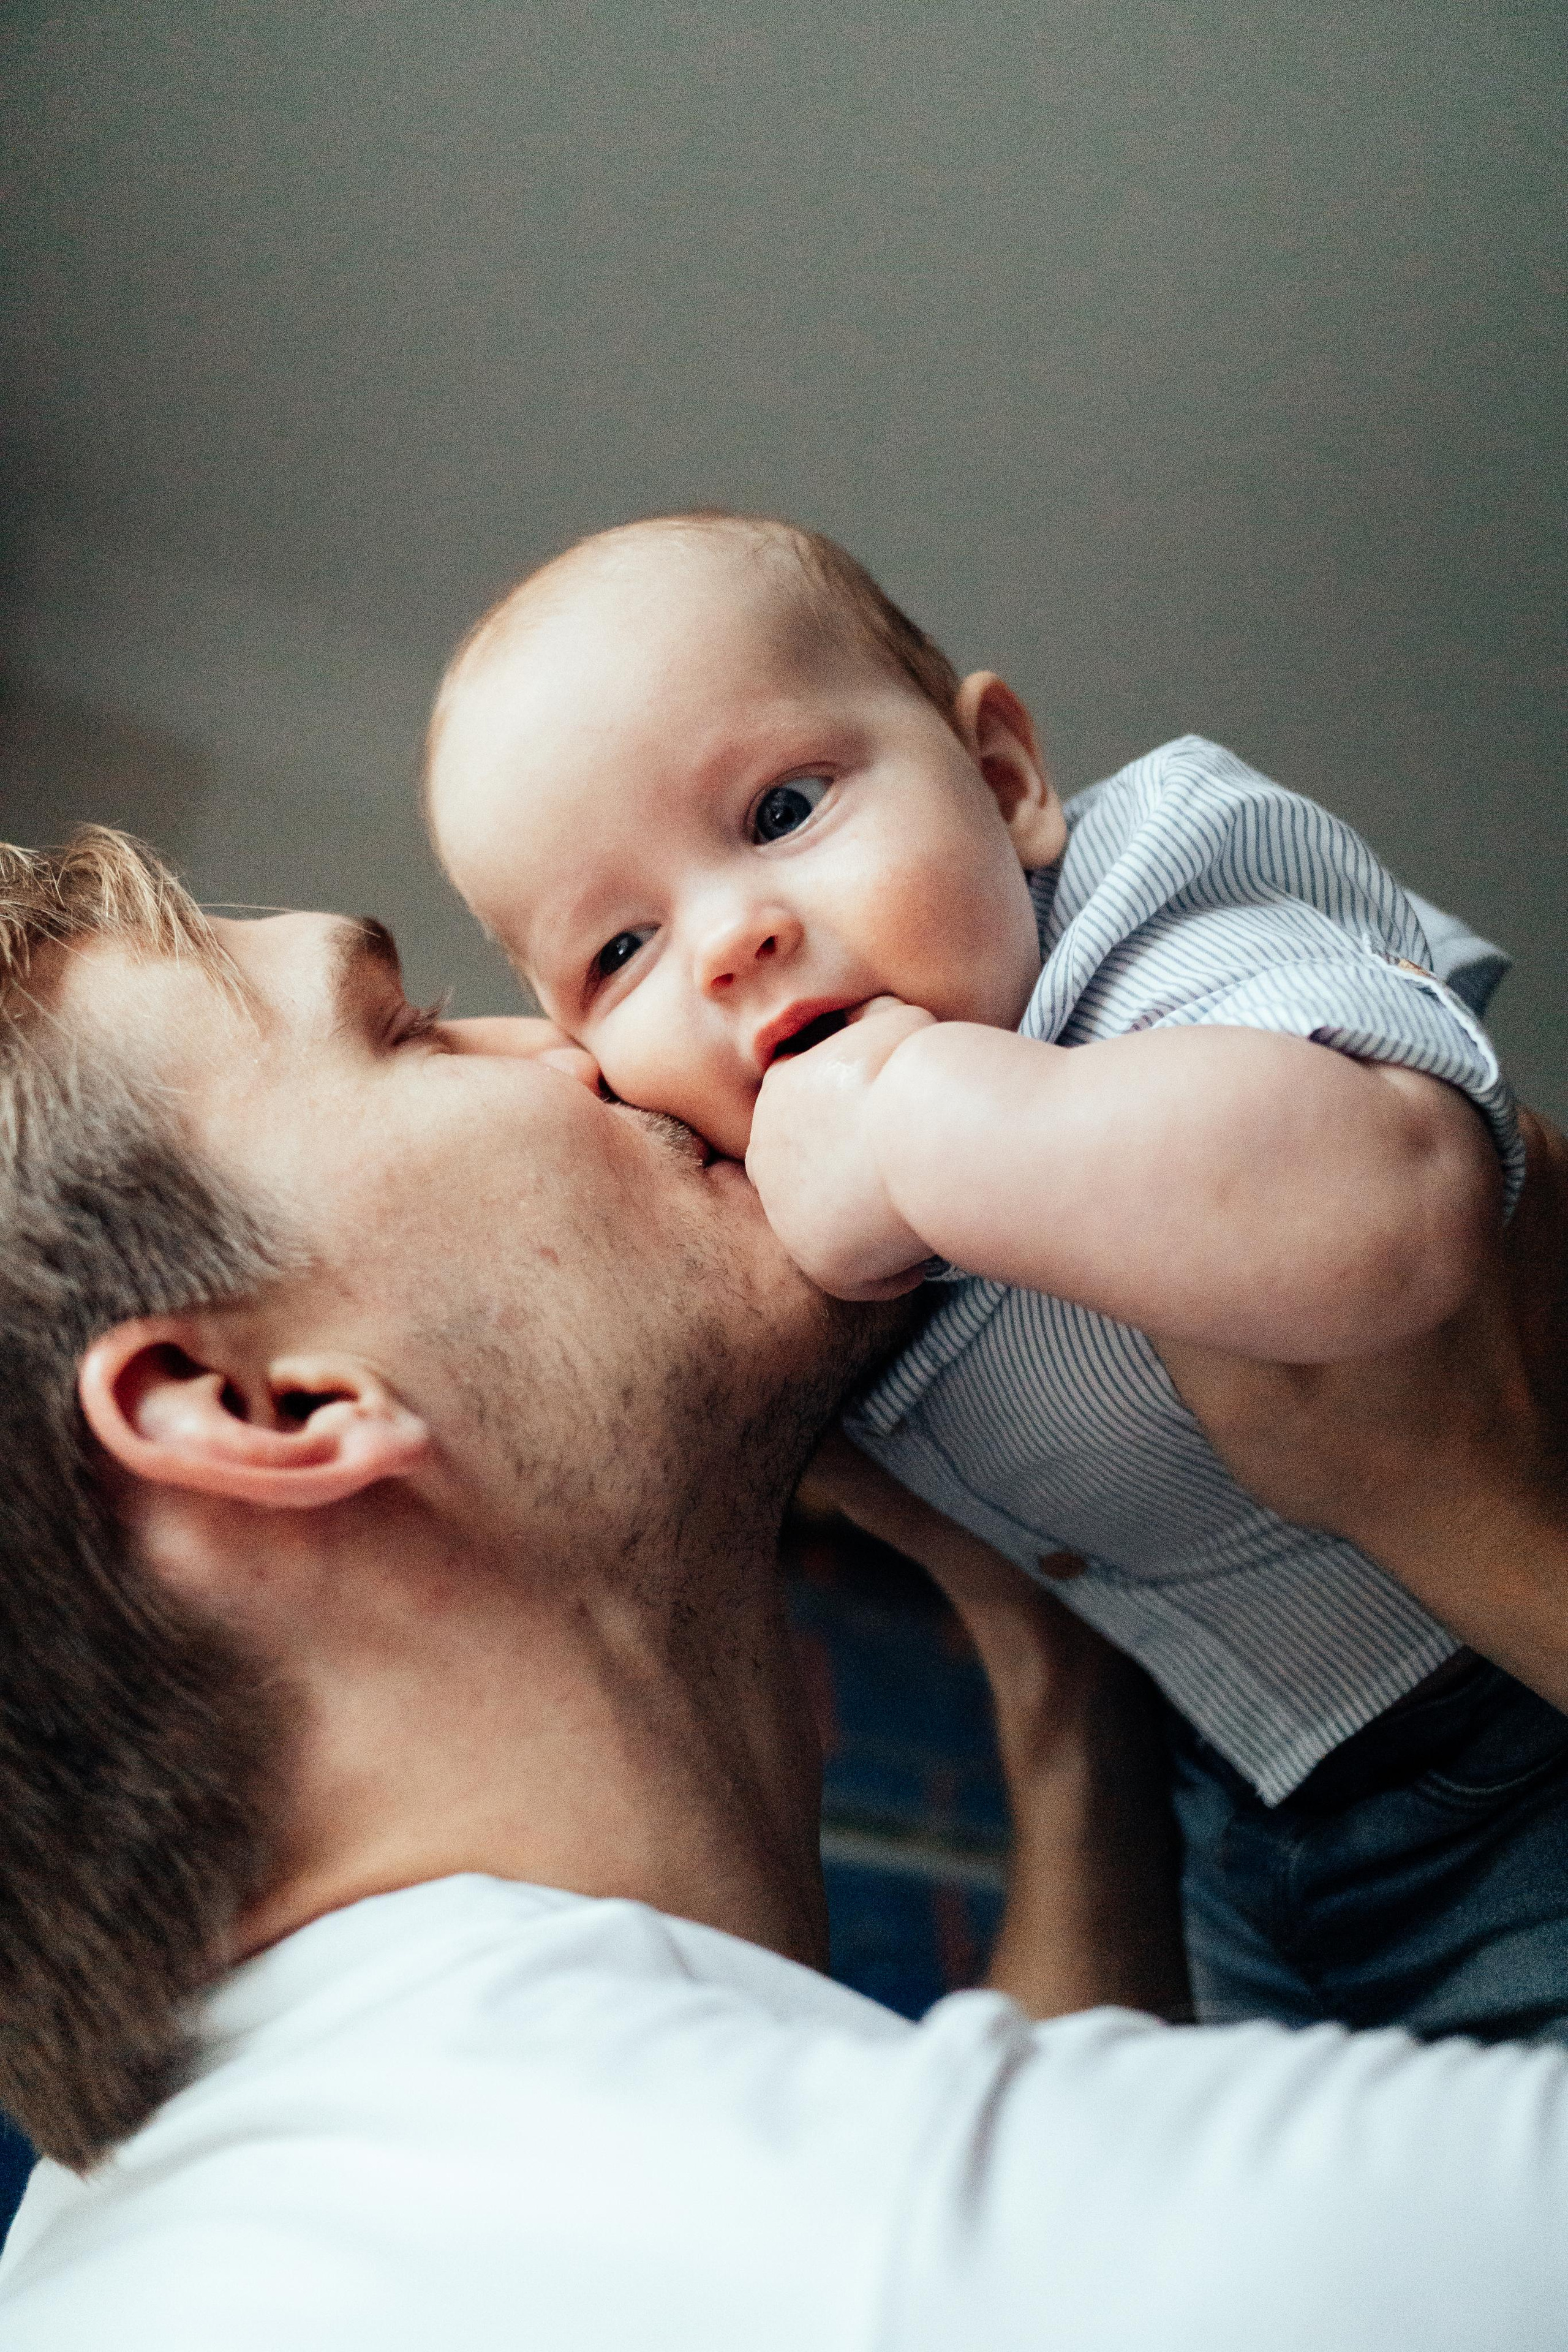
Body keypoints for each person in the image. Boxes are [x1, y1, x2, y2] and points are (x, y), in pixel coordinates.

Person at [1, 827, 1566, 2350]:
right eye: (407, 1033)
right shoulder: (860, 2246)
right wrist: (1474, 1506)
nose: (582, 1049)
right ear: (267, 1410)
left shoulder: (133, 2223)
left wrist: (1060, 1671)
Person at [421, 508, 1563, 2039]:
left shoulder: (1154, 931)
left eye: (778, 811)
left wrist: (926, 1119)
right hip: (1236, 1800)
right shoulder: (754, 1189)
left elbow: (1392, 1207)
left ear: (1006, 781)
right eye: (618, 952)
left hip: (1504, 1733)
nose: (727, 942)